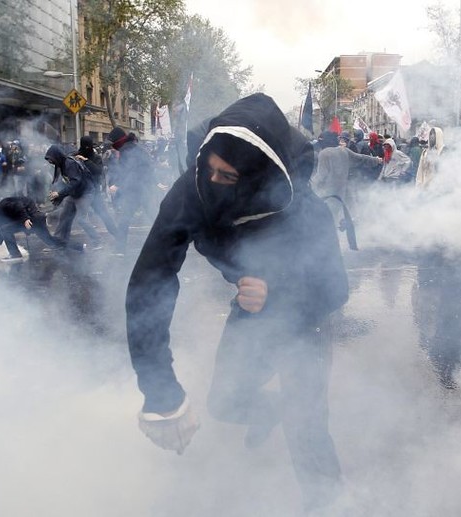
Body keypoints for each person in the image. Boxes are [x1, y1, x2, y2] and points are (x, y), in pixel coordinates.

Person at [125, 93, 350, 512]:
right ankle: (270, 410)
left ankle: (329, 505)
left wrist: (276, 290)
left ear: (258, 178)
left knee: (306, 427)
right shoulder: (192, 189)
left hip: (306, 317)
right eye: (209, 168)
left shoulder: (304, 209)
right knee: (226, 401)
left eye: (227, 177)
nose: (212, 183)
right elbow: (151, 279)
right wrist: (159, 390)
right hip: (250, 305)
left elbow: (334, 289)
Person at [0, 195, 83, 262]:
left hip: (32, 218)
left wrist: (25, 219)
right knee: (51, 241)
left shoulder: (3, 205)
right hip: (31, 221)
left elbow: (18, 205)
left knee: (6, 229)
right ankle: (79, 246)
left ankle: (15, 255)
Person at [105, 128, 155, 255]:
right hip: (144, 189)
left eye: (112, 142)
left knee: (124, 220)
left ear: (117, 140)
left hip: (136, 191)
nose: (112, 145)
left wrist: (118, 185)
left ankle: (120, 250)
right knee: (155, 218)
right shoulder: (134, 147)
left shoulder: (126, 150)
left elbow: (130, 171)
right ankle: (170, 243)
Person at [45, 144, 104, 247]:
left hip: (85, 193)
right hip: (74, 193)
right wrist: (56, 193)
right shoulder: (61, 165)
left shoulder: (69, 164)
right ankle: (59, 241)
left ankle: (97, 241)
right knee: (64, 216)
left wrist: (59, 193)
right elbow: (62, 182)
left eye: (51, 158)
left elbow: (75, 182)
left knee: (81, 219)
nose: (50, 161)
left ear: (56, 156)